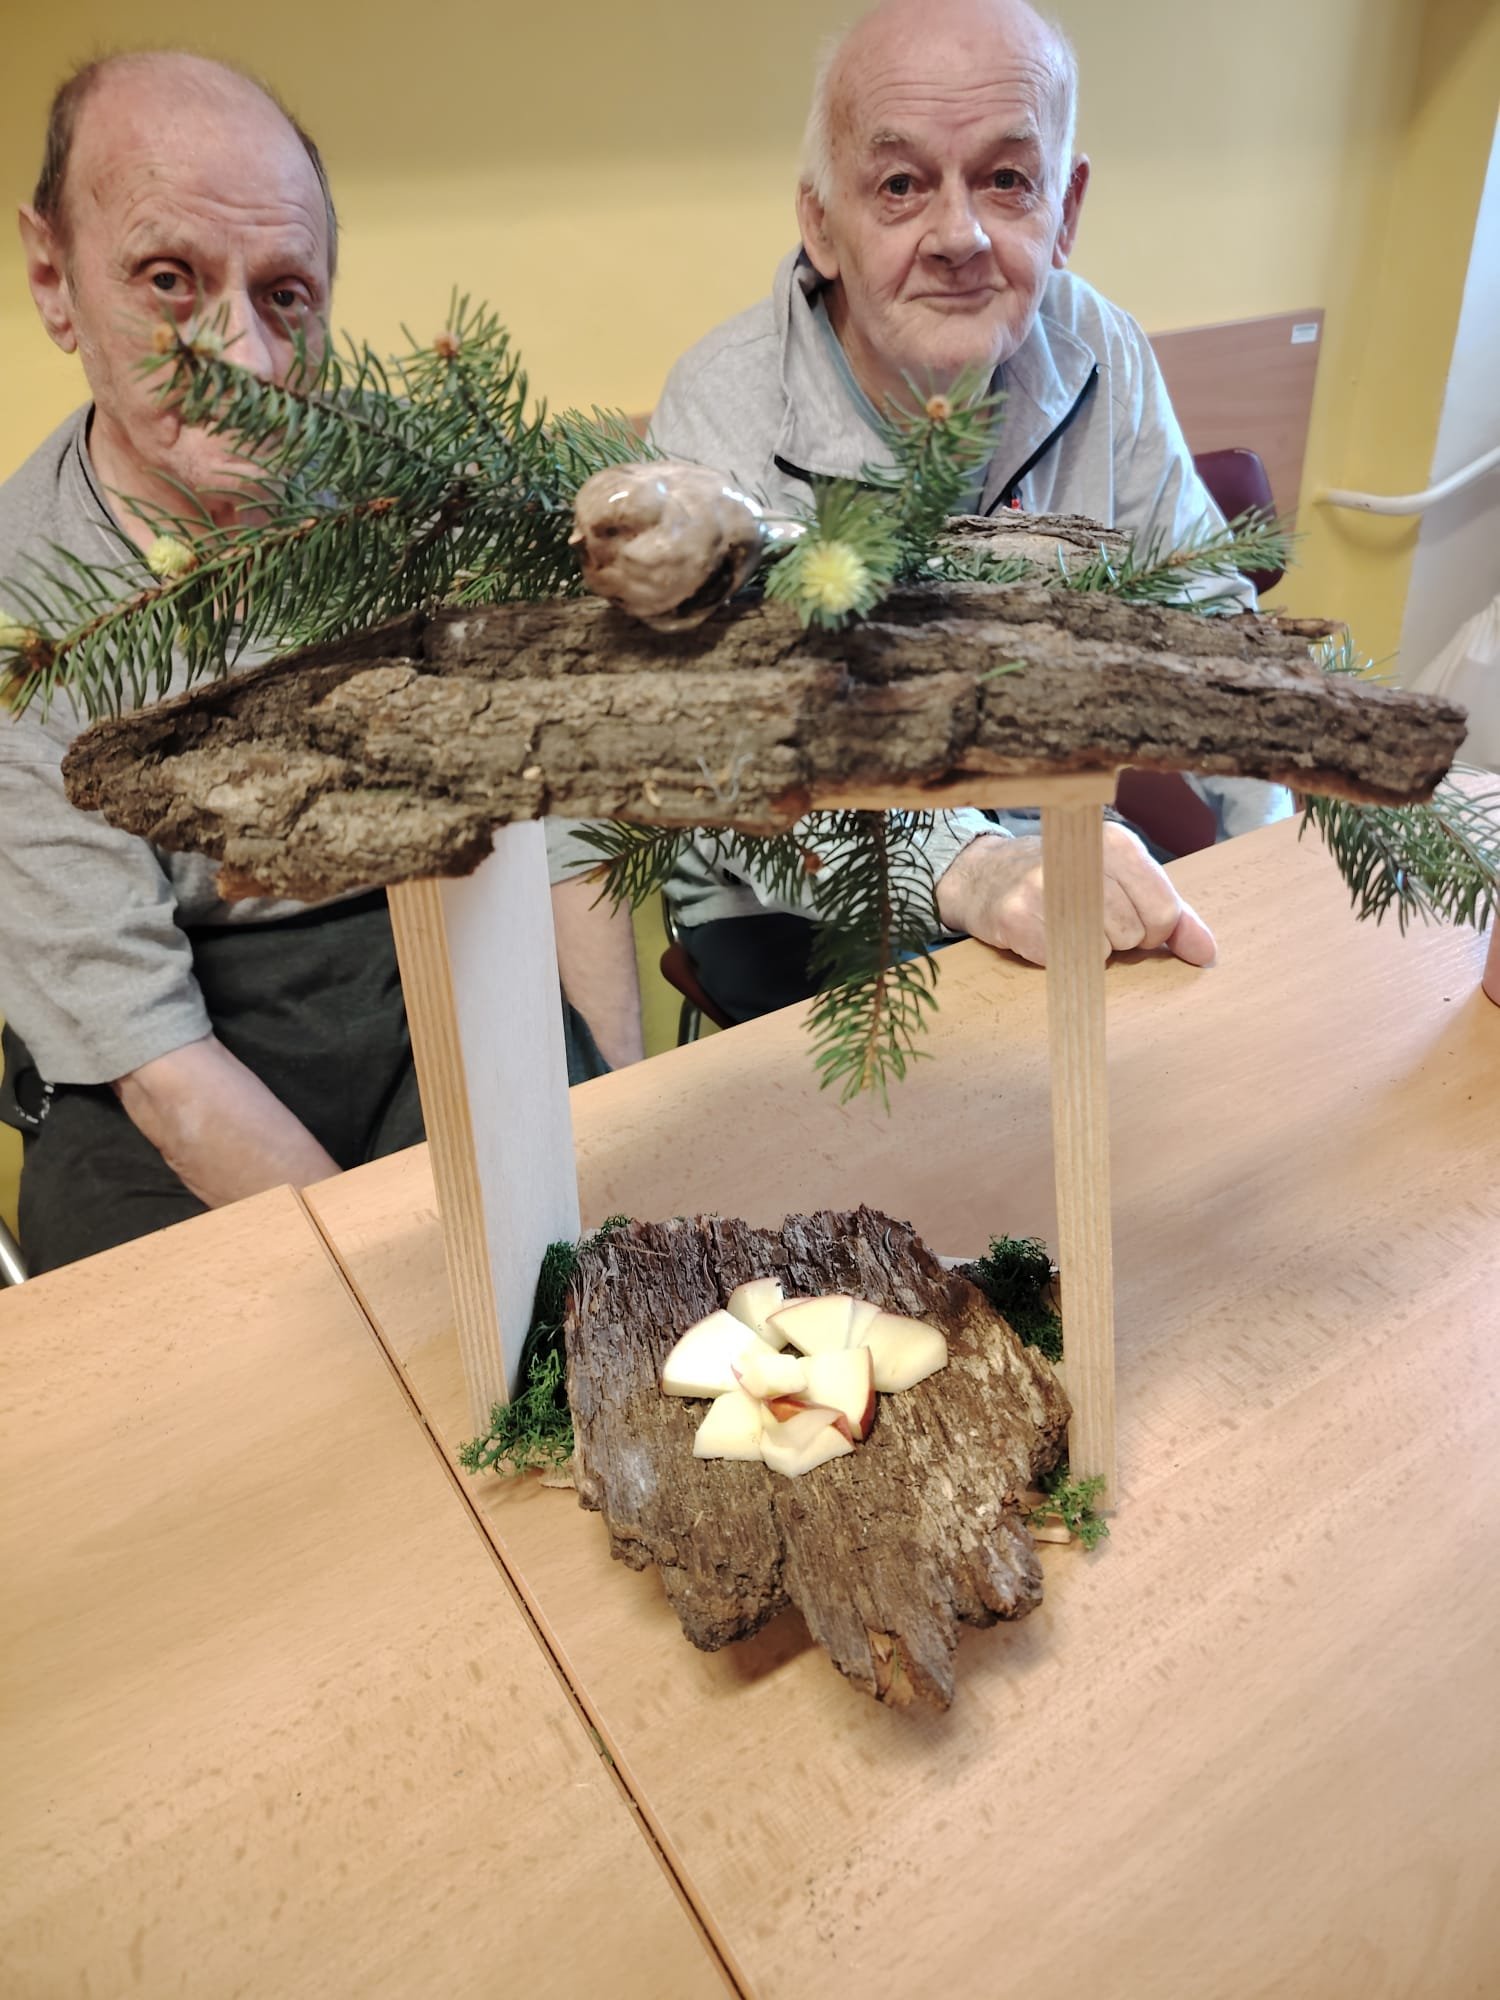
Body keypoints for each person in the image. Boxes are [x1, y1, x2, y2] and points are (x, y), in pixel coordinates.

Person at [0, 51, 642, 1274]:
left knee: (562, 1264)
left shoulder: (432, 498)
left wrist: (605, 1103)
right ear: (54, 278)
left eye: (285, 294)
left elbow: (553, 827)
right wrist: (396, 1277)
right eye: (170, 280)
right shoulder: (17, 600)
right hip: (155, 1058)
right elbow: (151, 1051)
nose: (244, 361)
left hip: (426, 959)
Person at [649, 0, 1280, 1023]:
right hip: (786, 889)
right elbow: (725, 754)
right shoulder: (721, 408)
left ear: (1065, 210)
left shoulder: (1104, 350)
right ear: (821, 221)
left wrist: (1276, 861)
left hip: (1049, 829)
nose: (960, 236)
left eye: (1006, 179)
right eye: (900, 184)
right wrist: (972, 865)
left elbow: (1203, 616)